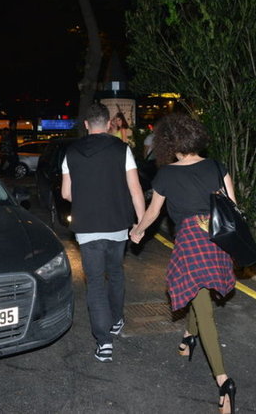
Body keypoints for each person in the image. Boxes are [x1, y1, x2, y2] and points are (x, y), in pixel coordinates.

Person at [130, 113, 237, 413]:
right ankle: (189, 338)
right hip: (216, 238)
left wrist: (137, 232)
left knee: (204, 311)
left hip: (191, 243)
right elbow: (233, 207)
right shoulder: (217, 167)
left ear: (169, 143)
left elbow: (153, 214)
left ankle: (223, 381)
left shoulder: (166, 175)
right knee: (198, 293)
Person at [61, 103, 145, 363]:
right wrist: (141, 224)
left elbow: (66, 193)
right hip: (117, 224)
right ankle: (117, 319)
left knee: (95, 283)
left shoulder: (71, 151)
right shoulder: (122, 149)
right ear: (109, 124)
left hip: (87, 227)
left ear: (86, 124)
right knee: (116, 272)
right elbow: (135, 189)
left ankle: (104, 342)